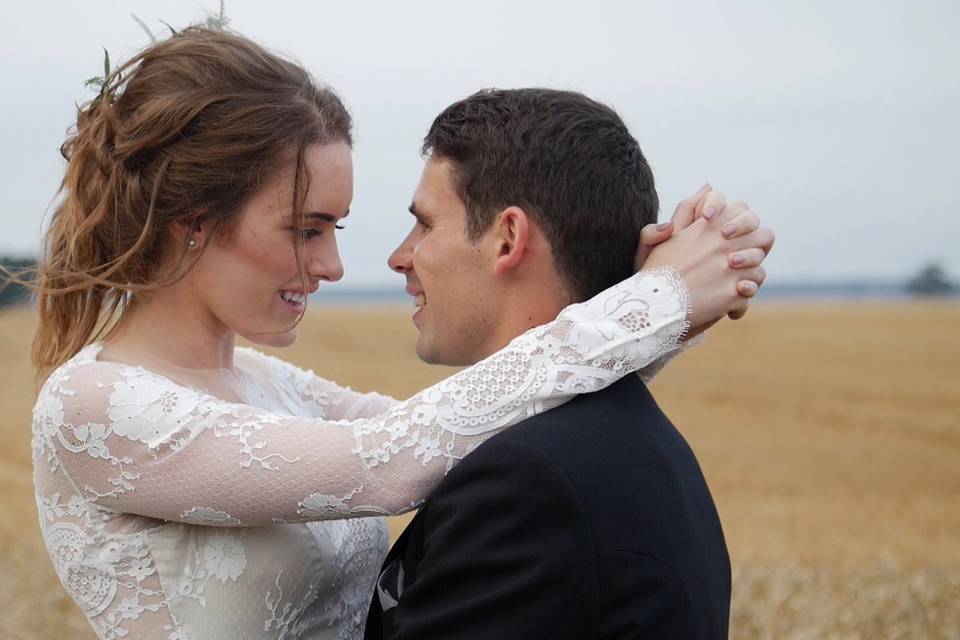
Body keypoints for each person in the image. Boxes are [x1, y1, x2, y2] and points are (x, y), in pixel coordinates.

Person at [29, 27, 769, 640]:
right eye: (306, 229)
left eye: (335, 229)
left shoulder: (267, 384)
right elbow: (388, 464)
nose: (333, 265)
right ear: (194, 222)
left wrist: (645, 300)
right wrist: (657, 299)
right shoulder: (92, 406)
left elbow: (485, 434)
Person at [365, 89, 774, 639]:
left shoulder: (529, 482)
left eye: (426, 224)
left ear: (507, 238)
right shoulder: (626, 436)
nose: (400, 256)